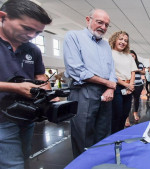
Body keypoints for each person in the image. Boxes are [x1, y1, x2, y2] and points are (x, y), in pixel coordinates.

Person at [0, 0, 52, 168]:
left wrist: (48, 94)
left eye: (38, 32)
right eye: (27, 28)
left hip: (25, 116)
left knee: (23, 158)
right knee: (13, 164)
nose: (32, 36)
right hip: (1, 118)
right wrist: (15, 87)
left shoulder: (32, 49)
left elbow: (40, 75)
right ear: (3, 17)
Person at [63, 9, 117, 158]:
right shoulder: (73, 37)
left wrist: (110, 88)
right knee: (84, 134)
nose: (103, 27)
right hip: (83, 90)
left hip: (106, 93)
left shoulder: (106, 45)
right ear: (88, 20)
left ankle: (100, 164)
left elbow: (112, 69)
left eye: (107, 25)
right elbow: (76, 69)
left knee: (104, 132)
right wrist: (108, 83)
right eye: (100, 22)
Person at [109, 31, 137, 133]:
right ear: (114, 40)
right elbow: (110, 73)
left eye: (125, 40)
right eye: (120, 39)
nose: (123, 42)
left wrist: (131, 85)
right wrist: (126, 85)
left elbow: (133, 71)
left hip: (128, 86)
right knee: (117, 114)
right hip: (117, 86)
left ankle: (119, 135)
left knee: (125, 113)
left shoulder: (128, 55)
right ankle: (113, 137)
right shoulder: (109, 53)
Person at [126, 50, 145, 125]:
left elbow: (144, 72)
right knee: (127, 101)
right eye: (130, 56)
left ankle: (135, 113)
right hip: (128, 85)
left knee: (136, 100)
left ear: (135, 56)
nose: (132, 57)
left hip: (138, 85)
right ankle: (126, 118)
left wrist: (137, 70)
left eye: (133, 56)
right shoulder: (126, 64)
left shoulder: (139, 64)